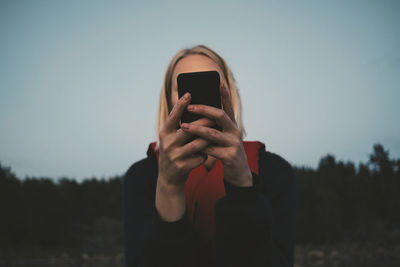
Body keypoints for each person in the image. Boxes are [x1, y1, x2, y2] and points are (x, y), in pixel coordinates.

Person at [122, 45, 298, 267]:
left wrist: (242, 187)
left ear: (228, 94)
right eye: (184, 87)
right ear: (169, 100)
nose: (195, 98)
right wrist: (168, 187)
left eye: (209, 85)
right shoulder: (143, 176)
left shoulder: (274, 171)